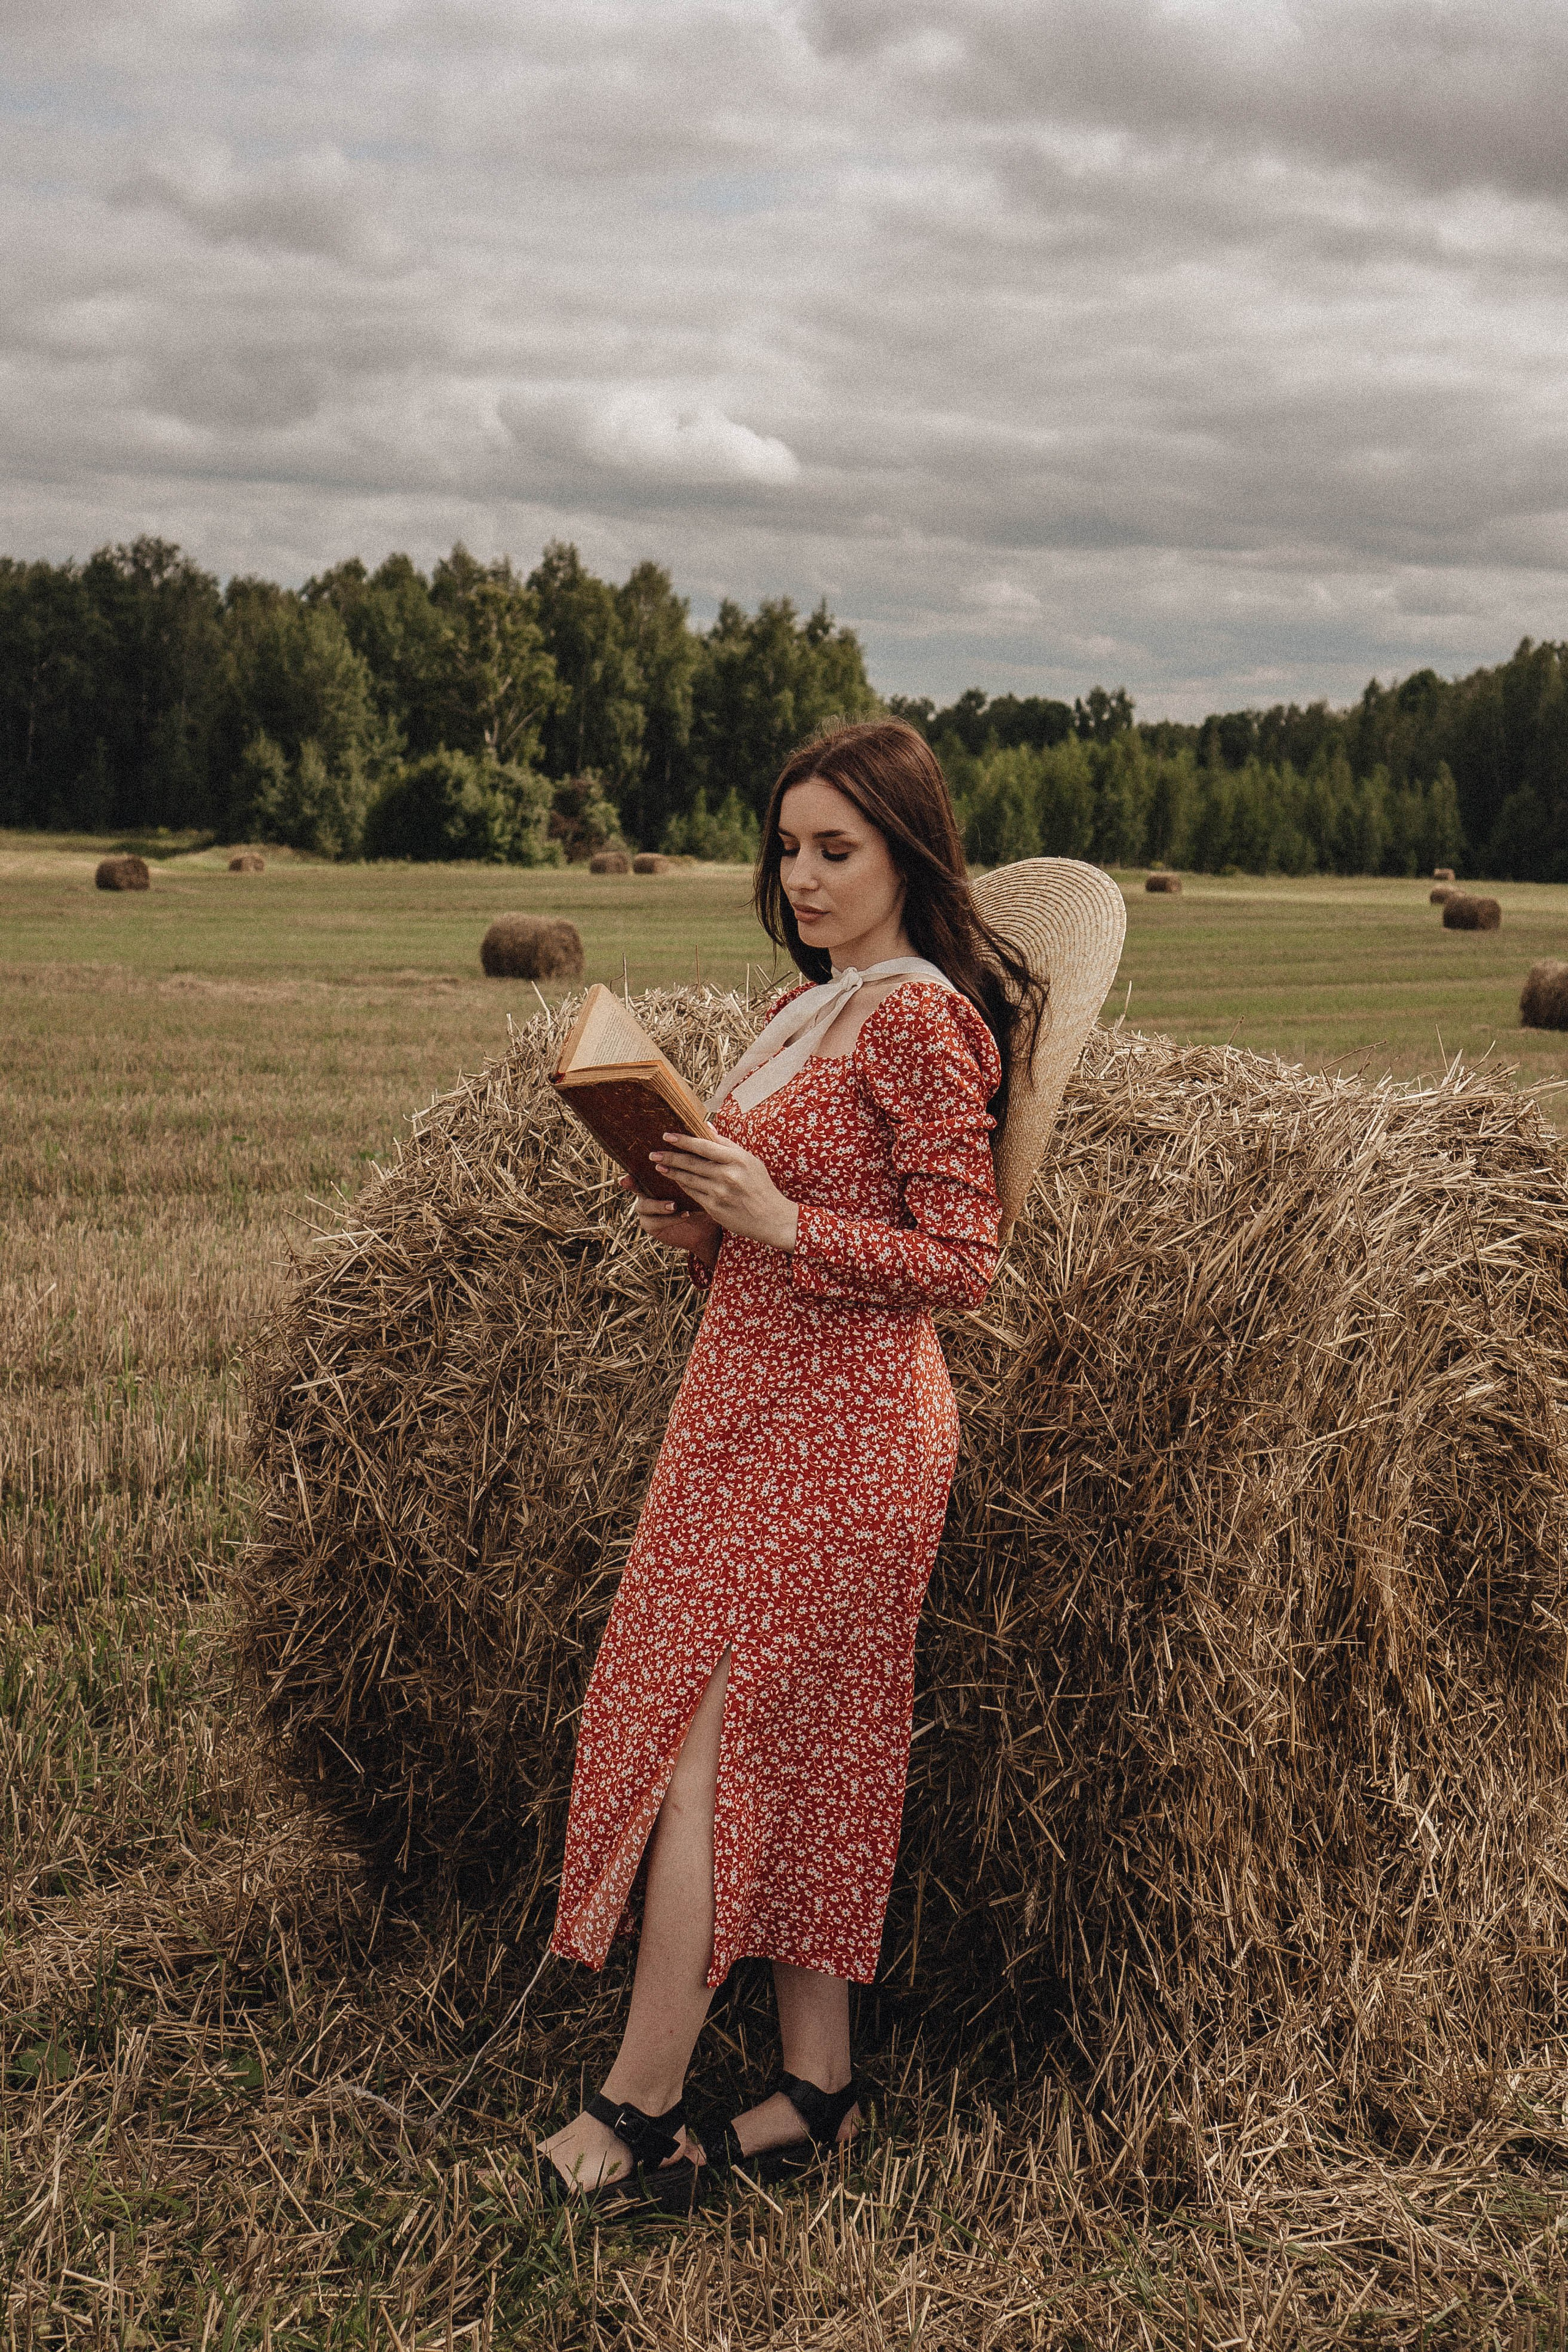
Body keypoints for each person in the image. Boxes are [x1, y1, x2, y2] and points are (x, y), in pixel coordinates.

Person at [540, 718, 1047, 2206]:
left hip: (851, 1432)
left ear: (905, 855)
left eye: (838, 849)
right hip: (740, 1408)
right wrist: (700, 1224)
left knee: (710, 1748)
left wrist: (776, 1224)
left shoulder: (913, 1021)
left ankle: (637, 2109)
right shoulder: (795, 1011)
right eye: (788, 847)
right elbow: (772, 1238)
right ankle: (815, 2087)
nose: (805, 875)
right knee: (800, 1748)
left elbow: (963, 1261)